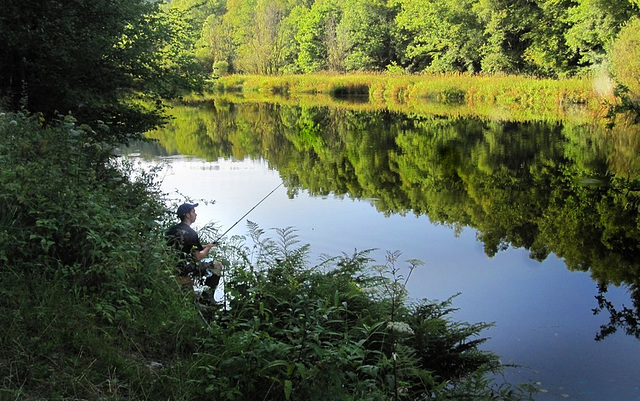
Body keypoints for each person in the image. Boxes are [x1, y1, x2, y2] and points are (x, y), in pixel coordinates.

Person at [166, 202, 222, 305]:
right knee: (217, 265)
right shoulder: (191, 233)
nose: (195, 214)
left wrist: (205, 246)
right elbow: (197, 257)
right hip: (185, 268)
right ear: (187, 215)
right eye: (193, 212)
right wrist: (208, 249)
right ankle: (206, 298)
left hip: (173, 265)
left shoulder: (172, 230)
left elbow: (189, 247)